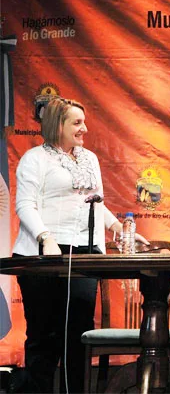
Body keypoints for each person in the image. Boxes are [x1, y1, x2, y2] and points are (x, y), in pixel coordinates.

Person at [10, 97, 148, 393]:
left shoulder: (89, 158)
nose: (84, 128)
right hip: (43, 256)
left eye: (84, 122)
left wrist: (117, 228)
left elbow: (95, 203)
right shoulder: (35, 158)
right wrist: (45, 238)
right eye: (76, 122)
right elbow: (24, 204)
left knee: (78, 335)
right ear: (56, 125)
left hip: (84, 255)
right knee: (43, 337)